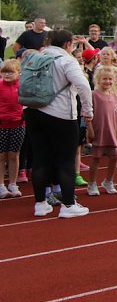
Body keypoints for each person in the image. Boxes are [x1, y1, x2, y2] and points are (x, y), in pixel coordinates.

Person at [27, 29, 94, 218]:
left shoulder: (35, 57)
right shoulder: (66, 60)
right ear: (67, 45)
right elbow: (83, 85)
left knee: (40, 157)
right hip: (60, 113)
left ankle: (40, 203)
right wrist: (87, 111)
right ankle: (68, 204)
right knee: (65, 160)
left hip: (33, 111)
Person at [86, 66, 117, 196]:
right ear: (98, 80)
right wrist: (89, 130)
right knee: (96, 158)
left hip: (111, 130)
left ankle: (108, 180)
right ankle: (91, 183)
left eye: (110, 79)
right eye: (105, 79)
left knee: (115, 156)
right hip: (98, 130)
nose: (108, 81)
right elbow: (88, 115)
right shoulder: (93, 95)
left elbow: (116, 113)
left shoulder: (113, 95)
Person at [0, 59, 24, 198]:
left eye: (10, 72)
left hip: (18, 124)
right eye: (4, 72)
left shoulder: (22, 86)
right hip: (2, 124)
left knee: (14, 155)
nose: (7, 75)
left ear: (18, 73)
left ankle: (13, 184)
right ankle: (1, 185)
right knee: (1, 155)